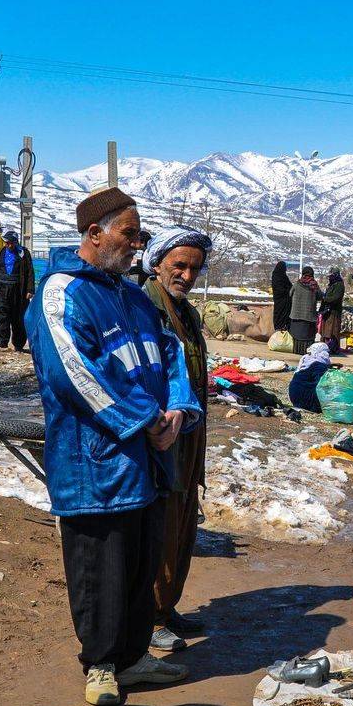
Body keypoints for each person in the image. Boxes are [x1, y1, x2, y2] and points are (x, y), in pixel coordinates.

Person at [25, 187, 201, 706]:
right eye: (129, 233)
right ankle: (100, 664)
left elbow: (170, 354)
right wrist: (144, 419)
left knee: (141, 563)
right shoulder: (62, 292)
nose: (137, 244)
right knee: (99, 569)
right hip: (94, 463)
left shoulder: (132, 296)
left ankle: (132, 656)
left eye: (141, 235)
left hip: (146, 461)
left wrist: (177, 409)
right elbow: (72, 372)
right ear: (94, 234)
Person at [140, 226, 213, 655]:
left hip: (189, 435)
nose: (186, 275)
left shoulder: (188, 313)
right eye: (179, 265)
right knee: (162, 527)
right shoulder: (145, 307)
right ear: (157, 263)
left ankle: (166, 608)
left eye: (194, 268)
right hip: (162, 436)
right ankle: (149, 618)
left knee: (183, 526)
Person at [0, 230, 35, 351]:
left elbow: (30, 271)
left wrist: (30, 289)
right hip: (2, 288)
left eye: (11, 243)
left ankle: (19, 344)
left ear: (16, 242)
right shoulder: (0, 253)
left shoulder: (23, 253)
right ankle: (1, 341)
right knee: (2, 314)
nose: (9, 245)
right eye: (7, 243)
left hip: (18, 289)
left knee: (18, 316)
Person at [289, 342, 332, 412]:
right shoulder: (319, 365)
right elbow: (321, 384)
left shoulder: (307, 359)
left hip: (295, 397)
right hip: (305, 400)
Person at [289, 265, 321, 356]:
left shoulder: (297, 284)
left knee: (297, 335)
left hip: (296, 315)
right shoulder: (314, 285)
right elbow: (320, 296)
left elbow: (290, 293)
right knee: (307, 336)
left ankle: (296, 350)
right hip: (309, 315)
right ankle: (306, 351)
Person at [319, 267, 345, 352]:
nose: (329, 278)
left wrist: (325, 299)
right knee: (325, 330)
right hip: (327, 311)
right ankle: (325, 346)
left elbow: (336, 298)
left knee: (332, 331)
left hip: (334, 311)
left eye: (331, 276)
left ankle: (332, 348)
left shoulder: (339, 285)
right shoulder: (332, 284)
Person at [270, 261, 292, 338]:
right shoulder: (276, 277)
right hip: (280, 300)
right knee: (279, 316)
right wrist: (287, 291)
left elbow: (290, 286)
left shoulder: (284, 276)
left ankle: (284, 335)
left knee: (285, 317)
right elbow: (279, 289)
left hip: (285, 301)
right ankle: (278, 334)